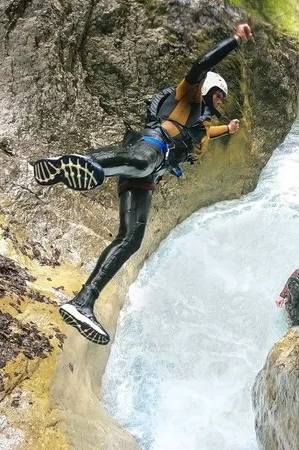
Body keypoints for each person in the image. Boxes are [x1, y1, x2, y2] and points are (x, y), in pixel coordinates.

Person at [32, 23, 254, 344]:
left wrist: (230, 130)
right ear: (207, 90)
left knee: (132, 238)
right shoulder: (187, 97)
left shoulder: (201, 125)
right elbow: (199, 66)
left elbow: (210, 134)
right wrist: (234, 41)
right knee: (140, 161)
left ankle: (83, 302)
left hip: (151, 174)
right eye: (218, 94)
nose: (221, 101)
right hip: (150, 146)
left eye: (222, 98)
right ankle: (82, 163)